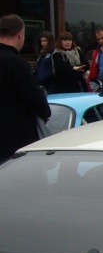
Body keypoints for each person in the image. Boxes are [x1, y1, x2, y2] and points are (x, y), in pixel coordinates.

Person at [0, 14, 51, 162]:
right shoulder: (16, 63)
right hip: (16, 143)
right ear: (20, 34)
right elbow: (35, 99)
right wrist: (45, 111)